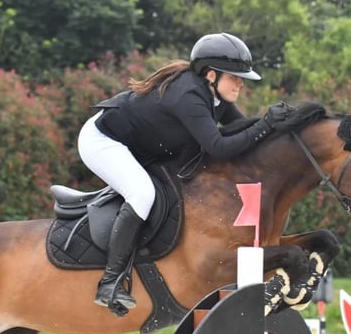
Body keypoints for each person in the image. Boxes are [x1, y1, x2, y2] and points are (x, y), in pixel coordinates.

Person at [77, 33, 293, 315]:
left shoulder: (215, 94)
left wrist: (275, 125)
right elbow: (219, 147)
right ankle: (111, 282)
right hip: (103, 141)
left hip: (140, 146)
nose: (241, 83)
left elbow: (240, 128)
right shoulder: (189, 96)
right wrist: (265, 124)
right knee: (143, 194)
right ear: (212, 74)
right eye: (235, 77)